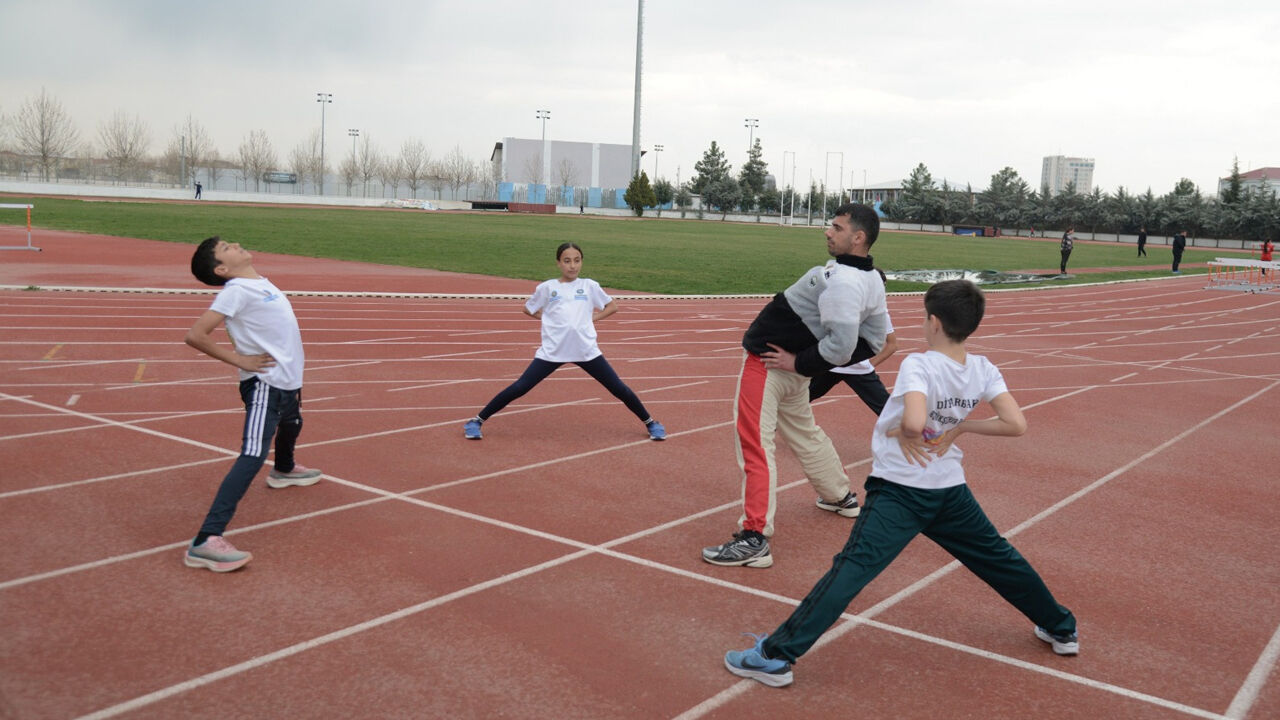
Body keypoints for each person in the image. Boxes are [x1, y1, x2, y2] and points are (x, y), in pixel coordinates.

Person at [723, 279, 1078, 688]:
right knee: (997, 558)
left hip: (900, 491)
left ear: (934, 322)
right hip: (949, 490)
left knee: (851, 570)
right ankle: (1060, 627)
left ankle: (774, 655)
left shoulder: (919, 364)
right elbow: (1016, 424)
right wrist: (959, 429)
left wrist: (913, 430)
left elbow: (912, 420)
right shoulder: (983, 368)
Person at [702, 203, 889, 569]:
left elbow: (843, 345)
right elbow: (875, 342)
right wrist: (806, 365)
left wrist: (799, 362)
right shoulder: (869, 279)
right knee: (805, 433)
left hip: (768, 366)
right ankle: (839, 496)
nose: (827, 231)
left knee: (756, 446)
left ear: (858, 237)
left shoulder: (845, 283)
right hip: (789, 372)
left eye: (836, 227)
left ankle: (755, 537)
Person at [183, 236, 323, 572]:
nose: (235, 244)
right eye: (227, 247)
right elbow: (196, 335)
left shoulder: (259, 282)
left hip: (287, 381)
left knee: (292, 425)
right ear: (222, 268)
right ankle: (206, 539)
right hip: (265, 384)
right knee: (252, 454)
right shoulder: (235, 291)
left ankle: (284, 469)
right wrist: (239, 360)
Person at [463, 242, 665, 442]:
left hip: (586, 351)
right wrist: (549, 320)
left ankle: (651, 423)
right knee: (520, 387)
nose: (572, 266)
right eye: (567, 261)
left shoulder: (589, 286)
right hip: (553, 352)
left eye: (577, 261)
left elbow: (612, 306)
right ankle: (477, 421)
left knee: (618, 388)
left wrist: (591, 319)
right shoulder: (547, 288)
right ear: (558, 263)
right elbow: (528, 309)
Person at [807, 268, 897, 416]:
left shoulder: (880, 313)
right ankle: (763, 431)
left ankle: (913, 438)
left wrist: (870, 364)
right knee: (798, 400)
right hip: (831, 365)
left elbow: (892, 345)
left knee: (888, 411)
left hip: (857, 368)